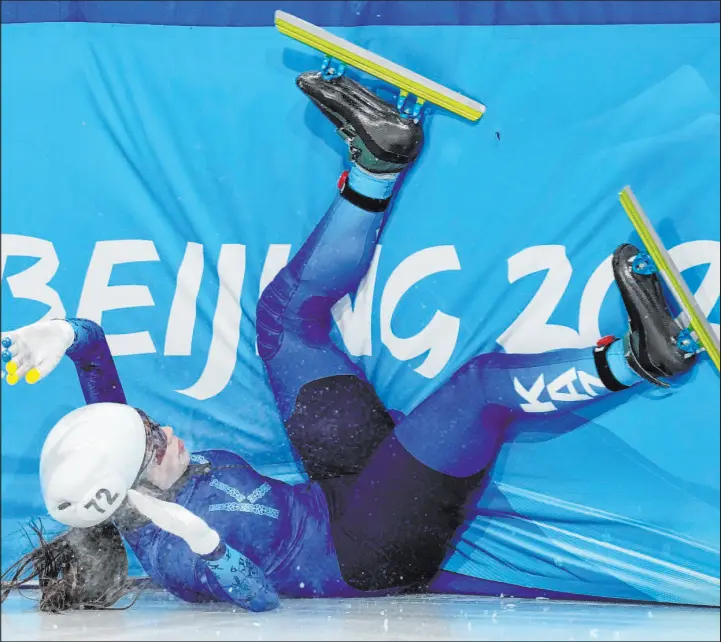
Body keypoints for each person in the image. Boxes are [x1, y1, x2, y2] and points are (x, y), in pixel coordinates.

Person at [0, 71, 697, 613]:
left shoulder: (123, 455)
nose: (161, 433)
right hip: (370, 552)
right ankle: (639, 360)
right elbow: (255, 598)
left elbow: (94, 355)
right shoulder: (175, 559)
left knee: (281, 321)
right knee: (481, 388)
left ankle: (379, 159)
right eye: (150, 446)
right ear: (128, 495)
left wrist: (60, 331)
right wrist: (192, 531)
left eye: (148, 425)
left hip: (338, 491)